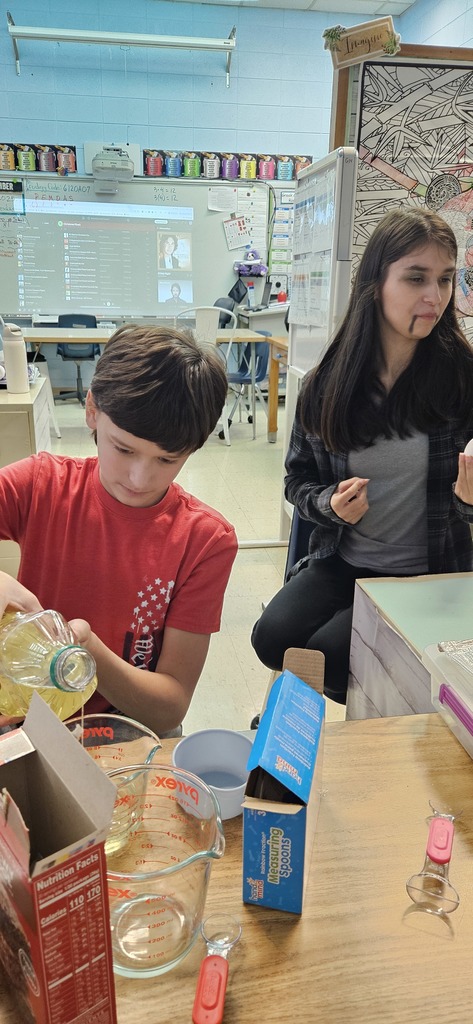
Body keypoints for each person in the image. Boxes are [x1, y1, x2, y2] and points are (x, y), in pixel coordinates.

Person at [251, 207, 473, 704]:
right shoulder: (330, 382)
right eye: (416, 278)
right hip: (345, 558)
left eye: (445, 279)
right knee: (272, 639)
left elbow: (465, 511)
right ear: (376, 284)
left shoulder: (462, 379)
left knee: (327, 652)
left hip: (429, 572)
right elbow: (296, 482)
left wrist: (468, 501)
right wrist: (329, 504)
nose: (434, 297)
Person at [0, 325, 238, 735]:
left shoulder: (204, 540)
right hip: (24, 714)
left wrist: (86, 650)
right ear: (92, 410)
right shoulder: (41, 485)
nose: (140, 478)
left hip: (126, 723)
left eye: (167, 460)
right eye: (124, 449)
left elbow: (168, 708)